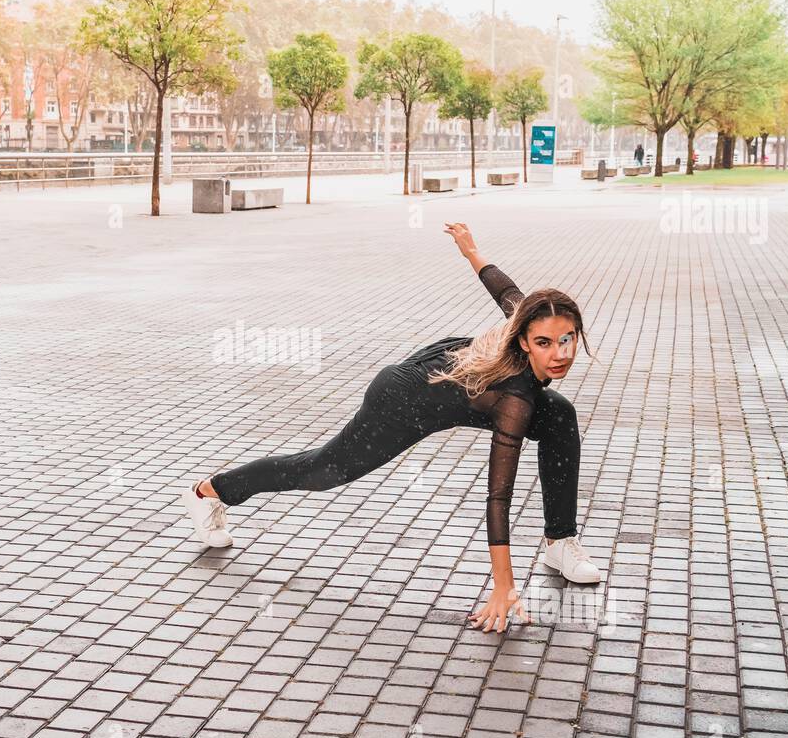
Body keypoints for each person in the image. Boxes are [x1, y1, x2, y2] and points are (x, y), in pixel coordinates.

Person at [180, 222, 601, 634]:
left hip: (464, 389)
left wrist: (471, 250)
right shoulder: (515, 398)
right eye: (545, 343)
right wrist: (504, 586)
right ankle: (209, 491)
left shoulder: (530, 320)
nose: (559, 353)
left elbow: (503, 288)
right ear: (525, 341)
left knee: (560, 415)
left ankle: (560, 541)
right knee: (324, 470)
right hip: (404, 399)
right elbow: (498, 494)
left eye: (567, 339)